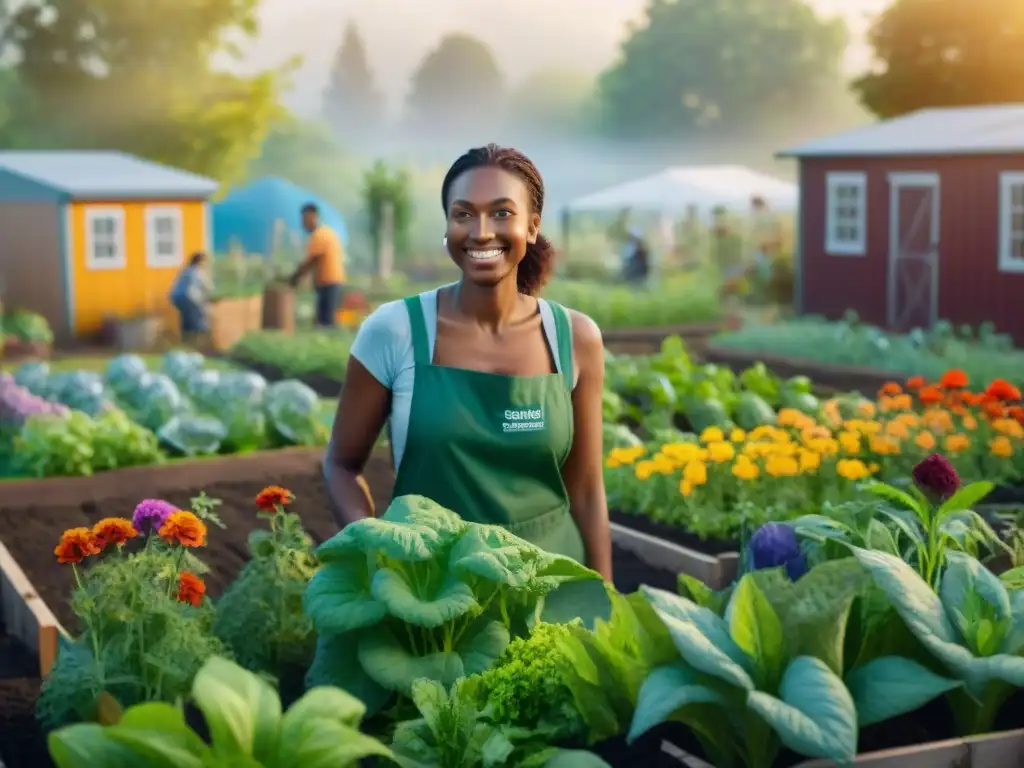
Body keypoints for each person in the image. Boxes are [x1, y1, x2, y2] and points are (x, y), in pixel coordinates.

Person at [324, 143, 613, 580]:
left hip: (550, 586)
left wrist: (605, 597)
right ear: (447, 227)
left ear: (531, 227)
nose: (481, 231)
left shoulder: (573, 338)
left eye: (501, 213)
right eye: (463, 214)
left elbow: (588, 491)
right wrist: (377, 551)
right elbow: (341, 465)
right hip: (431, 590)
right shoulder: (395, 331)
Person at [289, 203, 345, 328]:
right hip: (328, 282)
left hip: (330, 282)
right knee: (324, 320)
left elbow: (311, 261)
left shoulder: (320, 235)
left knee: (326, 322)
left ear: (313, 217)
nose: (303, 223)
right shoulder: (324, 232)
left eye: (305, 219)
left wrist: (294, 278)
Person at [169, 252, 212, 340]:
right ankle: (199, 337)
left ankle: (186, 338)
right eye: (204, 262)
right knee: (197, 317)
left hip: (177, 297)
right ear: (199, 262)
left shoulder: (187, 270)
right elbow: (206, 286)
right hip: (187, 298)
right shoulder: (196, 271)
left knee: (187, 318)